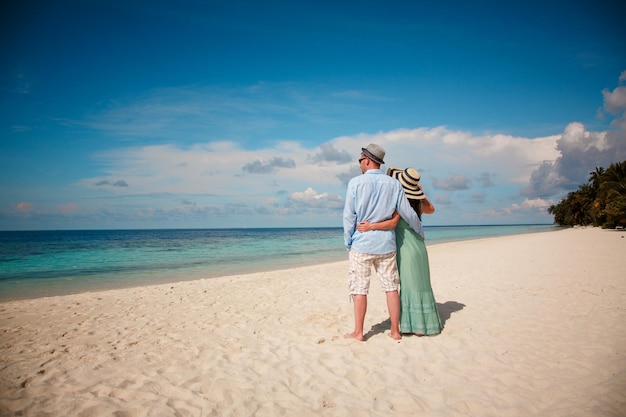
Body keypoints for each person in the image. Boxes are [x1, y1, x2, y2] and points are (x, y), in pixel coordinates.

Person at [343, 145, 424, 341]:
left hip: (362, 245)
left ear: (368, 160)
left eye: (360, 160)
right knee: (391, 287)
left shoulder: (355, 183)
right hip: (386, 244)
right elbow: (407, 212)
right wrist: (420, 232)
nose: (360, 164)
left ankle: (359, 332)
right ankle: (395, 331)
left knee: (359, 288)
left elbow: (349, 216)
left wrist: (348, 241)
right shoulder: (393, 184)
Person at [357, 167, 443, 336]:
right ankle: (424, 325)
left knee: (409, 285)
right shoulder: (417, 204)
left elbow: (392, 223)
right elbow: (431, 209)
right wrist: (420, 194)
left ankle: (415, 326)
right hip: (419, 246)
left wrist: (370, 226)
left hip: (406, 249)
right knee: (422, 284)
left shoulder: (399, 205)